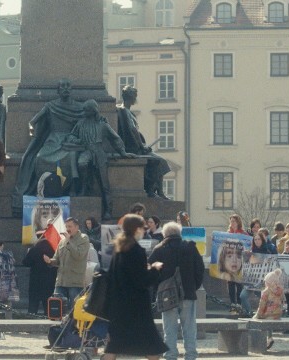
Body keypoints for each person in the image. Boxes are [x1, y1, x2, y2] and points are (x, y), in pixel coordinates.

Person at [12, 78, 85, 215]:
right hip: (52, 140)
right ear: (58, 90)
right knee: (39, 157)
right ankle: (45, 190)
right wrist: (31, 130)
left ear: (71, 89)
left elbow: (86, 123)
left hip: (69, 140)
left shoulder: (79, 107)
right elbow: (33, 121)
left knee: (71, 157)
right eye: (62, 86)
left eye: (68, 86)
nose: (65, 88)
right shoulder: (50, 106)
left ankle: (70, 188)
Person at [102, 214, 168, 360]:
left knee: (115, 345)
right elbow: (142, 280)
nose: (144, 231)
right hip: (136, 307)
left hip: (119, 305)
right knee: (151, 345)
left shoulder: (119, 249)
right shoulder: (136, 250)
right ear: (136, 229)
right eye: (143, 228)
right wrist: (155, 269)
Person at [65, 99, 135, 220]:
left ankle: (108, 209)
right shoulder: (81, 123)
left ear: (92, 111)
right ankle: (84, 187)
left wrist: (122, 152)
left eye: (86, 110)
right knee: (82, 163)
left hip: (99, 152)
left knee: (104, 184)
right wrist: (76, 140)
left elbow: (115, 138)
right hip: (86, 150)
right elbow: (72, 135)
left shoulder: (102, 124)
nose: (84, 111)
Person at [148, 222, 204, 360]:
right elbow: (200, 269)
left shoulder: (159, 249)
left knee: (169, 329)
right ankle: (191, 356)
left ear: (165, 235)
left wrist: (158, 289)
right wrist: (193, 287)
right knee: (189, 328)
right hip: (188, 293)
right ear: (179, 234)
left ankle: (170, 356)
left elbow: (150, 272)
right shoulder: (190, 247)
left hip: (166, 295)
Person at [116, 85, 171, 198]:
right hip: (133, 149)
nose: (135, 98)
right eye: (134, 96)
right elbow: (133, 130)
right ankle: (153, 191)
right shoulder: (125, 111)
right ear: (132, 98)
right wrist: (142, 146)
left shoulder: (126, 111)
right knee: (160, 161)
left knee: (159, 161)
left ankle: (157, 191)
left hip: (135, 147)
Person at [43, 217, 89, 309]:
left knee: (74, 311)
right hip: (60, 282)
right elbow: (57, 260)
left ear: (77, 227)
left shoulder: (83, 239)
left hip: (75, 282)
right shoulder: (62, 241)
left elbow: (79, 255)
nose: (67, 229)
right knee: (57, 309)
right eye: (66, 226)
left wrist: (68, 242)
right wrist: (50, 261)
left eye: (70, 226)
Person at [239, 232, 275, 315]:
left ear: (262, 240)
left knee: (264, 299)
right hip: (252, 280)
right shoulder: (251, 252)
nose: (257, 241)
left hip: (263, 281)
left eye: (259, 239)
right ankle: (250, 313)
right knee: (243, 296)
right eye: (255, 239)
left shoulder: (268, 250)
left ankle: (266, 314)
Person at [22, 235, 57, 316]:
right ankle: (49, 318)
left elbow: (25, 262)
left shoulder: (34, 249)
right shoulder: (53, 249)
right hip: (50, 280)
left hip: (35, 280)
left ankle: (31, 317)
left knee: (33, 303)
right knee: (48, 303)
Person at [253, 268, 284, 350]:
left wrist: (258, 315)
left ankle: (265, 339)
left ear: (268, 282)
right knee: (269, 319)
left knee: (256, 320)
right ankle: (269, 338)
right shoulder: (280, 290)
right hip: (278, 314)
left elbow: (262, 306)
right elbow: (283, 301)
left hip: (268, 314)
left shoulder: (265, 292)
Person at [226, 214, 248, 312]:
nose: (232, 223)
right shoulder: (227, 233)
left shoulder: (243, 233)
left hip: (239, 260)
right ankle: (232, 303)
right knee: (230, 282)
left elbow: (247, 245)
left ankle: (239, 303)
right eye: (231, 221)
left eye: (234, 221)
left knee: (239, 283)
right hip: (230, 260)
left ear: (238, 222)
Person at [0, 239, 18, 319]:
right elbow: (13, 262)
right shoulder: (8, 255)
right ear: (0, 246)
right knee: (8, 303)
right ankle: (9, 323)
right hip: (9, 282)